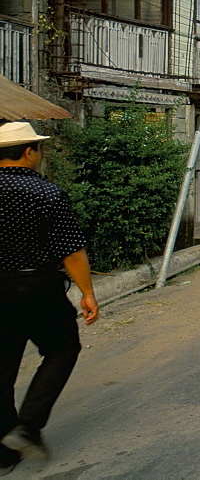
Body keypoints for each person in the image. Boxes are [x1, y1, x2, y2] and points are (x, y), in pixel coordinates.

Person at [0, 122, 100, 473]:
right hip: (38, 288)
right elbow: (72, 252)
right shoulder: (46, 193)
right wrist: (87, 293)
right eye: (38, 149)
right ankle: (27, 427)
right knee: (62, 348)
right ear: (29, 152)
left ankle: (4, 452)